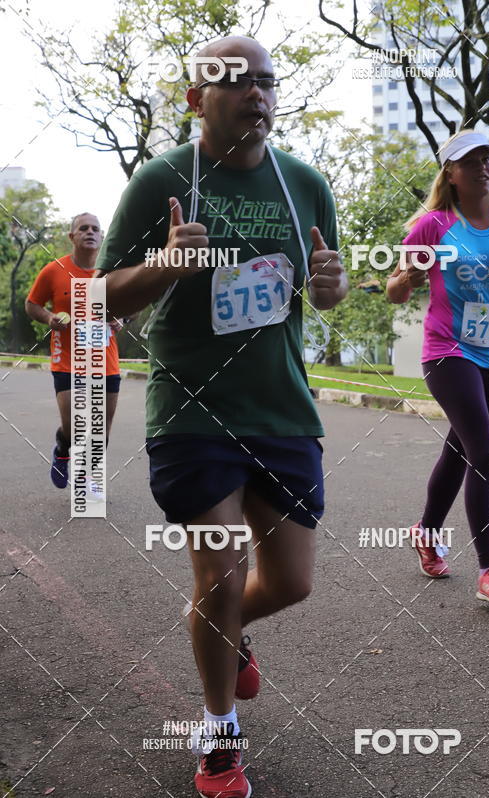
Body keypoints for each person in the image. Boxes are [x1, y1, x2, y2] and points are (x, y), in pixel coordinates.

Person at [94, 36, 347, 798]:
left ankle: (221, 626)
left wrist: (332, 289)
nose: (256, 94)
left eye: (267, 81)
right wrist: (165, 265)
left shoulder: (303, 182)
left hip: (281, 408)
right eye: (235, 81)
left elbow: (322, 290)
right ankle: (218, 736)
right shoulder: (161, 178)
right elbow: (99, 295)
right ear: (193, 96)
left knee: (292, 583)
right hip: (191, 410)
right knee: (222, 571)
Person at [386, 129, 489, 603]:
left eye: (487, 158)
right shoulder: (432, 226)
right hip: (449, 350)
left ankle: (426, 531)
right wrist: (408, 278)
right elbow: (395, 289)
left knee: (461, 451)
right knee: (485, 452)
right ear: (451, 174)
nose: (482, 166)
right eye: (470, 160)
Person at [25, 213, 122, 490]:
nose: (90, 232)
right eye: (83, 228)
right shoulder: (54, 271)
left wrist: (122, 318)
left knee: (100, 431)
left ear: (102, 236)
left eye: (95, 229)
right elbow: (32, 304)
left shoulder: (112, 271)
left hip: (106, 364)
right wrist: (48, 318)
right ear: (72, 236)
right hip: (68, 363)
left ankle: (89, 478)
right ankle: (63, 450)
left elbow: (134, 306)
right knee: (74, 426)